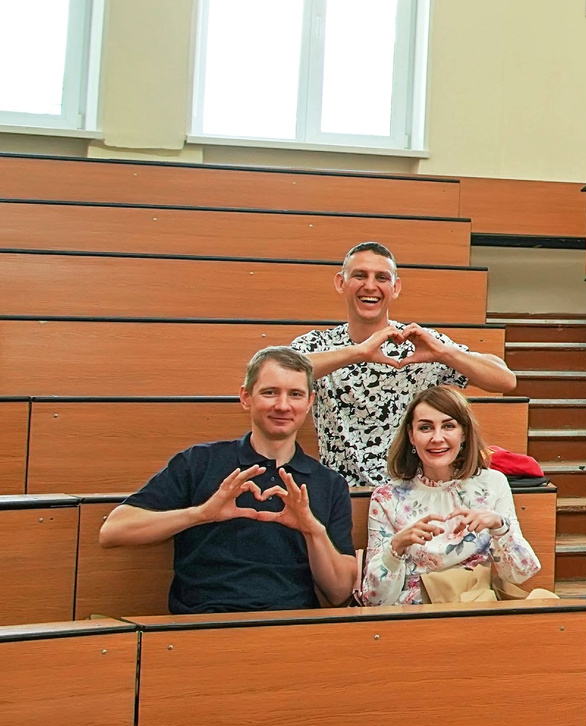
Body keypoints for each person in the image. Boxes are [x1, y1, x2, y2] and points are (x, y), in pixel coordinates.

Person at [102, 346, 358, 614]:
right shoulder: (198, 462)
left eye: (295, 394)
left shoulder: (330, 483)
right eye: (270, 392)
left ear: (309, 402)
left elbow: (339, 593)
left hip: (290, 625)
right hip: (203, 623)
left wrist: (312, 530)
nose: (283, 406)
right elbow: (113, 530)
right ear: (246, 398)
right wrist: (201, 514)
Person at [294, 242, 517, 488]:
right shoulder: (319, 344)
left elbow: (505, 380)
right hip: (342, 493)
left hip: (413, 494)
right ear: (340, 283)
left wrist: (444, 352)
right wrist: (358, 353)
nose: (370, 286)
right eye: (360, 275)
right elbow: (276, 372)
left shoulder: (419, 344)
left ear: (395, 288)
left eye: (382, 278)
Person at [359, 383, 540, 606]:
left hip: (474, 607)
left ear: (463, 433)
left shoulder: (493, 483)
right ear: (411, 436)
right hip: (414, 614)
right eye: (425, 428)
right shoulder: (387, 498)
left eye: (448, 426)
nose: (437, 438)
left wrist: (499, 526)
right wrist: (396, 546)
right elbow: (374, 600)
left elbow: (522, 573)